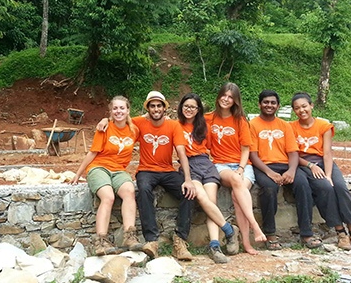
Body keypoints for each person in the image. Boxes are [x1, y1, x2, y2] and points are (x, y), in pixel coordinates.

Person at [97, 90, 196, 260]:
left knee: (188, 193)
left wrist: (188, 179)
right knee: (143, 189)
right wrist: (105, 119)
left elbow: (181, 152)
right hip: (146, 170)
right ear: (148, 108)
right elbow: (119, 119)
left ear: (164, 108)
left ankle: (180, 241)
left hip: (167, 170)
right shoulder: (138, 123)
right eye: (152, 106)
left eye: (159, 106)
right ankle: (151, 241)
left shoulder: (174, 126)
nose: (156, 109)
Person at [290, 92, 351, 252]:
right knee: (325, 189)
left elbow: (327, 153)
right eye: (297, 108)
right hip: (304, 163)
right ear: (294, 111)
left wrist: (328, 174)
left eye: (304, 106)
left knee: (340, 187)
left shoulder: (323, 126)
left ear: (311, 106)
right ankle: (340, 232)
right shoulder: (291, 127)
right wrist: (311, 165)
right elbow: (293, 154)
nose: (301, 110)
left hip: (324, 162)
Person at [249, 89, 323, 250]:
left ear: (278, 106)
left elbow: (293, 152)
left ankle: (306, 233)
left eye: (273, 103)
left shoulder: (284, 125)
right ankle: (270, 234)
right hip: (263, 166)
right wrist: (269, 173)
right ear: (259, 104)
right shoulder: (252, 125)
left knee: (303, 184)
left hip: (285, 165)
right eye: (266, 102)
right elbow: (253, 155)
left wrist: (290, 171)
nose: (269, 105)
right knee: (269, 188)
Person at [71, 96, 143, 256]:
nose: (119, 111)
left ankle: (129, 236)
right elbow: (93, 152)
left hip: (119, 170)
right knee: (108, 196)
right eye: (115, 108)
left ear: (128, 110)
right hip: (99, 168)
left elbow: (148, 119)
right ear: (110, 112)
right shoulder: (104, 128)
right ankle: (101, 241)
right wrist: (78, 173)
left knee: (129, 191)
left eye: (122, 108)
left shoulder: (134, 130)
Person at [204, 83, 267, 255]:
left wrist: (240, 167)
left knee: (237, 195)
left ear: (235, 100)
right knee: (235, 181)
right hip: (220, 164)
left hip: (243, 164)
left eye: (230, 97)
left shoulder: (240, 121)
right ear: (218, 96)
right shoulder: (208, 118)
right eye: (224, 95)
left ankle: (246, 243)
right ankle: (255, 226)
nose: (226, 99)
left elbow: (246, 148)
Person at [178, 92, 240, 263]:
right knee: (202, 198)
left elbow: (224, 125)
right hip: (189, 166)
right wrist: (105, 120)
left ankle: (214, 245)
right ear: (181, 107)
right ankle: (229, 231)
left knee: (211, 203)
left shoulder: (204, 125)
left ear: (198, 110)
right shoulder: (175, 125)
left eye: (193, 107)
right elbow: (146, 119)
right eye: (186, 106)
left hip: (206, 164)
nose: (189, 110)